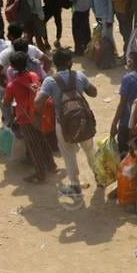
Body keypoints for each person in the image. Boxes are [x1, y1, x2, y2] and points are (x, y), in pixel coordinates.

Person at [35, 48, 98, 200]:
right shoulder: (79, 75)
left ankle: (75, 187)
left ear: (55, 63)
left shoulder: (50, 81)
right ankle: (99, 178)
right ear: (69, 62)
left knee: (69, 155)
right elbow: (93, 92)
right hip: (82, 120)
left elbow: (38, 103)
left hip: (62, 124)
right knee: (90, 150)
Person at [4, 49, 57, 184]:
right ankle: (52, 166)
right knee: (43, 141)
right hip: (39, 114)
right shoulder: (34, 75)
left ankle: (40, 175)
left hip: (25, 119)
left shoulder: (12, 85)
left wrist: (9, 117)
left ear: (13, 67)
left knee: (34, 146)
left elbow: (6, 102)